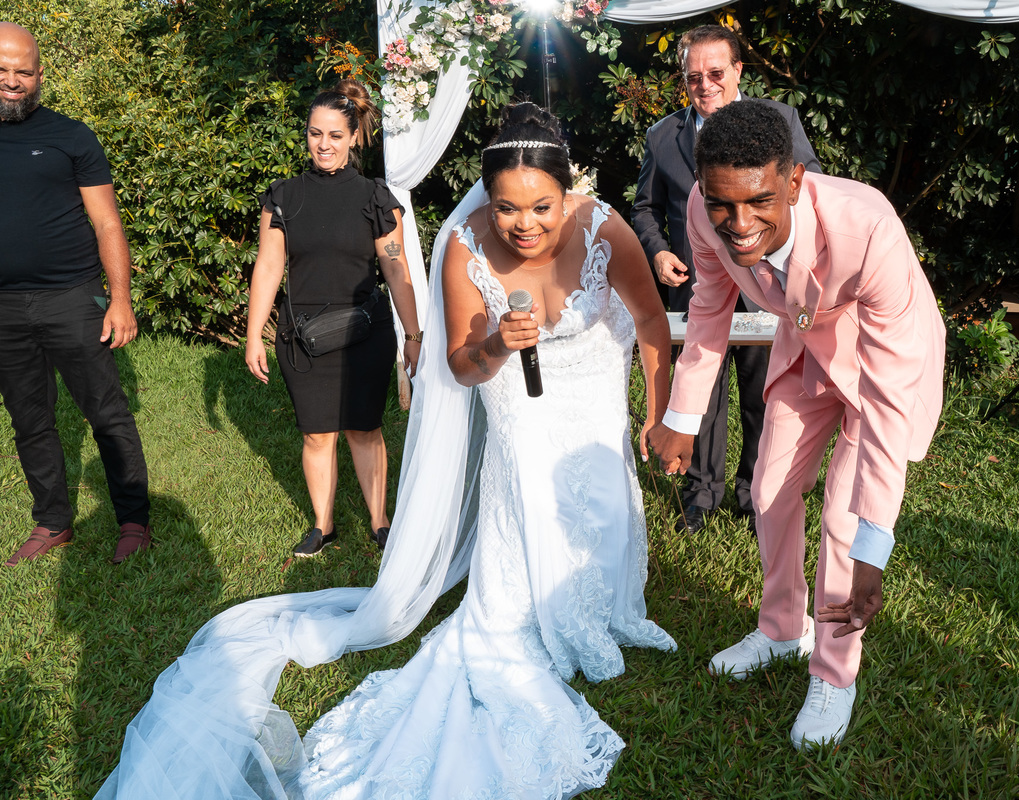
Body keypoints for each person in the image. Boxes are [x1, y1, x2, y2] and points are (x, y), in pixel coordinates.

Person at [96, 103, 676, 799]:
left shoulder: (606, 228)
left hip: (592, 397)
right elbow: (460, 365)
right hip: (517, 409)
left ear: (567, 193)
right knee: (523, 522)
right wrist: (497, 343)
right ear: (486, 200)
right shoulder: (465, 246)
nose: (524, 224)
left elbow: (650, 321)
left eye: (541, 208)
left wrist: (661, 413)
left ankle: (606, 605)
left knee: (602, 507)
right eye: (506, 208)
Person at [648, 101, 945, 750]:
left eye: (759, 201)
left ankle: (835, 671)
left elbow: (887, 401)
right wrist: (681, 417)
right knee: (767, 490)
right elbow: (709, 308)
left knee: (843, 519)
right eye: (723, 205)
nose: (739, 225)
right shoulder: (703, 208)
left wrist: (873, 547)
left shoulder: (867, 228)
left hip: (883, 364)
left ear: (794, 182)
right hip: (806, 348)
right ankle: (783, 628)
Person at [631, 24, 822, 535]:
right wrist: (659, 251)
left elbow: (811, 187)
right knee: (703, 390)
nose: (705, 85)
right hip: (698, 284)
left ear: (738, 70)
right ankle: (700, 493)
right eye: (693, 76)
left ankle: (756, 491)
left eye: (715, 73)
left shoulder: (778, 120)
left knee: (765, 392)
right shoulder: (662, 137)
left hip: (769, 287)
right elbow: (644, 208)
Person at [245, 79, 422, 556]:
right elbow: (269, 266)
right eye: (315, 133)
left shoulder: (375, 197)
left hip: (365, 332)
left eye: (335, 135)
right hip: (302, 338)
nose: (324, 144)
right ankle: (323, 526)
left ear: (354, 138)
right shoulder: (283, 196)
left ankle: (380, 522)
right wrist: (254, 335)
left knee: (365, 428)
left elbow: (396, 267)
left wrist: (413, 334)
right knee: (317, 433)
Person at [0, 22, 152, 567]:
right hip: (4, 308)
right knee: (29, 418)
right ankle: (53, 521)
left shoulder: (72, 136)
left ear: (40, 75)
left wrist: (120, 299)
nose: (12, 81)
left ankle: (133, 520)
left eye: (23, 71)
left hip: (73, 296)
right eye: (3, 70)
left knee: (106, 412)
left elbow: (107, 223)